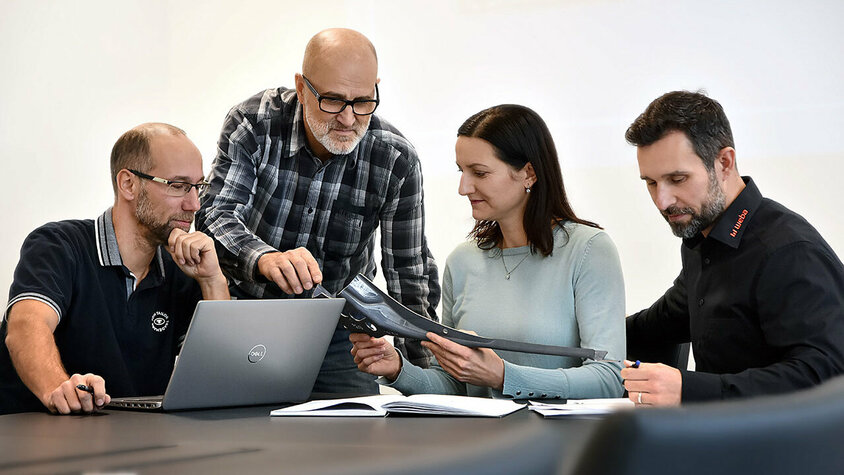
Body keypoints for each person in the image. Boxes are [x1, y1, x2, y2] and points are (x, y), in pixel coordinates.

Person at [196, 28, 439, 394]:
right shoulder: (254, 123)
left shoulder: (395, 158)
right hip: (246, 315)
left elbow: (408, 272)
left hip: (340, 333)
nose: (347, 117)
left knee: (353, 441)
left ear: (375, 87)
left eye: (362, 101)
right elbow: (214, 215)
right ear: (301, 86)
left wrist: (426, 383)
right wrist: (264, 259)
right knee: (237, 435)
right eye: (332, 100)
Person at [350, 104, 626, 399]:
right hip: (478, 438)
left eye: (479, 173)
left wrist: (502, 376)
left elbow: (609, 378)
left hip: (561, 441)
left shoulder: (589, 250)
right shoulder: (462, 261)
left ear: (528, 174)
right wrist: (397, 369)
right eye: (461, 171)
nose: (463, 187)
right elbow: (454, 386)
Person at [621, 91, 844, 406]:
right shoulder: (702, 241)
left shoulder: (789, 251)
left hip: (785, 451)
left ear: (724, 162)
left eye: (677, 178)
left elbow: (826, 377)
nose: (663, 201)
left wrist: (688, 390)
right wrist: (586, 330)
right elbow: (661, 322)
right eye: (651, 183)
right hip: (723, 442)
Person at [0, 123, 230, 415]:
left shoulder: (181, 271)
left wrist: (212, 281)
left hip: (136, 445)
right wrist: (59, 388)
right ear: (129, 184)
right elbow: (25, 327)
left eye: (199, 186)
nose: (195, 203)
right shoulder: (59, 246)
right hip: (36, 440)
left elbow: (218, 380)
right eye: (178, 185)